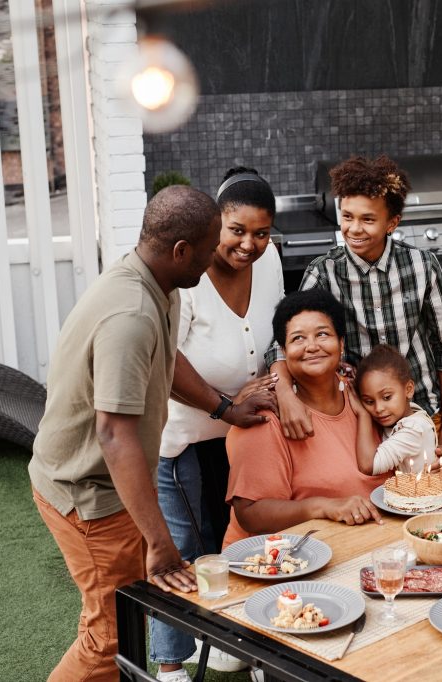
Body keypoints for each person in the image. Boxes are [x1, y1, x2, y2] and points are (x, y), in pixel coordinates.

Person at [28, 185, 224, 682]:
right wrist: (158, 540)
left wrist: (225, 407)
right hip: (87, 492)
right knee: (110, 638)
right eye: (208, 249)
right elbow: (114, 435)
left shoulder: (158, 285)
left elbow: (166, 360)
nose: (213, 259)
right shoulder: (131, 314)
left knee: (120, 621)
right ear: (181, 251)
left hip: (108, 482)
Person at [150, 168, 283, 681]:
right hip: (184, 438)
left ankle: (249, 647)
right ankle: (169, 667)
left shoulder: (269, 262)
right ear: (215, 226)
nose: (249, 244)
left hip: (246, 437)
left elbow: (276, 331)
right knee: (188, 548)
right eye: (237, 231)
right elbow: (166, 361)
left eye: (261, 232)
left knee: (243, 543)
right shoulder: (189, 277)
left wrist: (272, 382)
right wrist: (225, 405)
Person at [266, 155, 442, 466]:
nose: (354, 229)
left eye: (368, 219)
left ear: (392, 223)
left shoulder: (423, 266)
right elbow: (281, 346)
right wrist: (285, 396)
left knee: (429, 497)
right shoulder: (324, 273)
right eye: (347, 216)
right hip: (360, 419)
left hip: (423, 412)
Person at [224, 289, 388, 545]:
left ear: (341, 343)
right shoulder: (266, 416)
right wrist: (323, 507)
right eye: (298, 338)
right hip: (281, 562)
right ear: (283, 350)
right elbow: (250, 514)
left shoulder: (363, 395)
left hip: (366, 543)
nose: (312, 346)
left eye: (322, 334)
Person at [347, 344, 438, 476]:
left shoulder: (413, 430)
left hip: (423, 495)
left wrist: (363, 414)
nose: (378, 409)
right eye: (369, 401)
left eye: (387, 397)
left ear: (408, 389)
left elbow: (368, 466)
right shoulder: (406, 414)